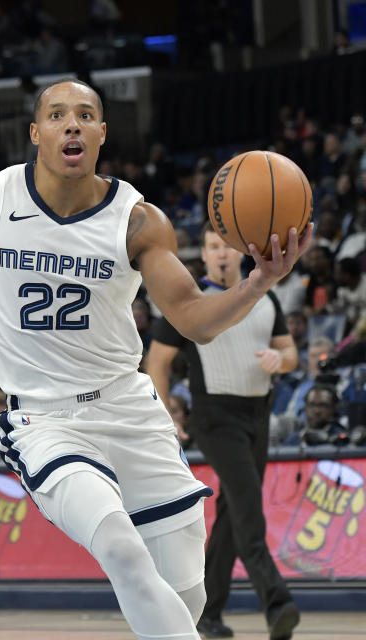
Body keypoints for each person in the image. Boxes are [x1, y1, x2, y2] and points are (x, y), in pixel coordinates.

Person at [0, 79, 312, 640]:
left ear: (101, 135)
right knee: (119, 546)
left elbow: (192, 317)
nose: (72, 123)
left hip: (129, 410)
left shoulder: (138, 220)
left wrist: (261, 280)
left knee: (185, 596)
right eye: (58, 114)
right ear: (36, 133)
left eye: (86, 115)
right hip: (45, 420)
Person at [146, 225, 299, 638]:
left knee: (233, 517)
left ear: (238, 253)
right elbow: (156, 363)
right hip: (214, 418)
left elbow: (290, 353)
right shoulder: (188, 303)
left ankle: (207, 615)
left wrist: (278, 359)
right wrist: (166, 417)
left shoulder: (266, 299)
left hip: (258, 414)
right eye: (213, 248)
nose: (221, 254)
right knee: (248, 507)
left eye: (227, 247)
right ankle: (278, 602)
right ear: (205, 256)